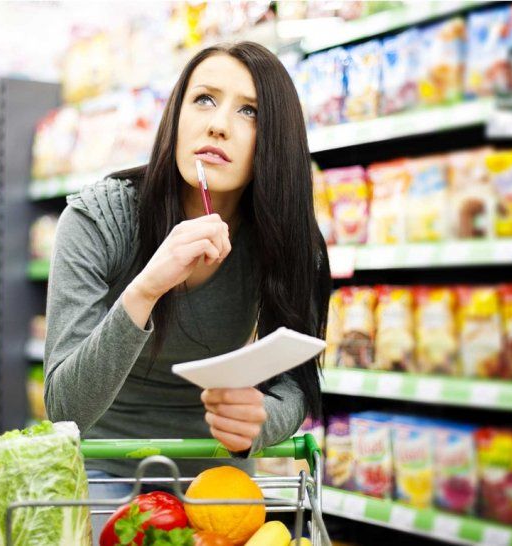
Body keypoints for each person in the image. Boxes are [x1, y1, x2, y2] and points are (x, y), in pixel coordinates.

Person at [44, 41, 330, 541]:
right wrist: (147, 287)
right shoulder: (97, 219)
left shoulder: (287, 242)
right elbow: (63, 407)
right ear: (175, 116)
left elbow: (295, 386)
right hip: (101, 468)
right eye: (203, 99)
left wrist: (260, 422)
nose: (218, 123)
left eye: (249, 111)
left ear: (276, 139)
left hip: (216, 478)